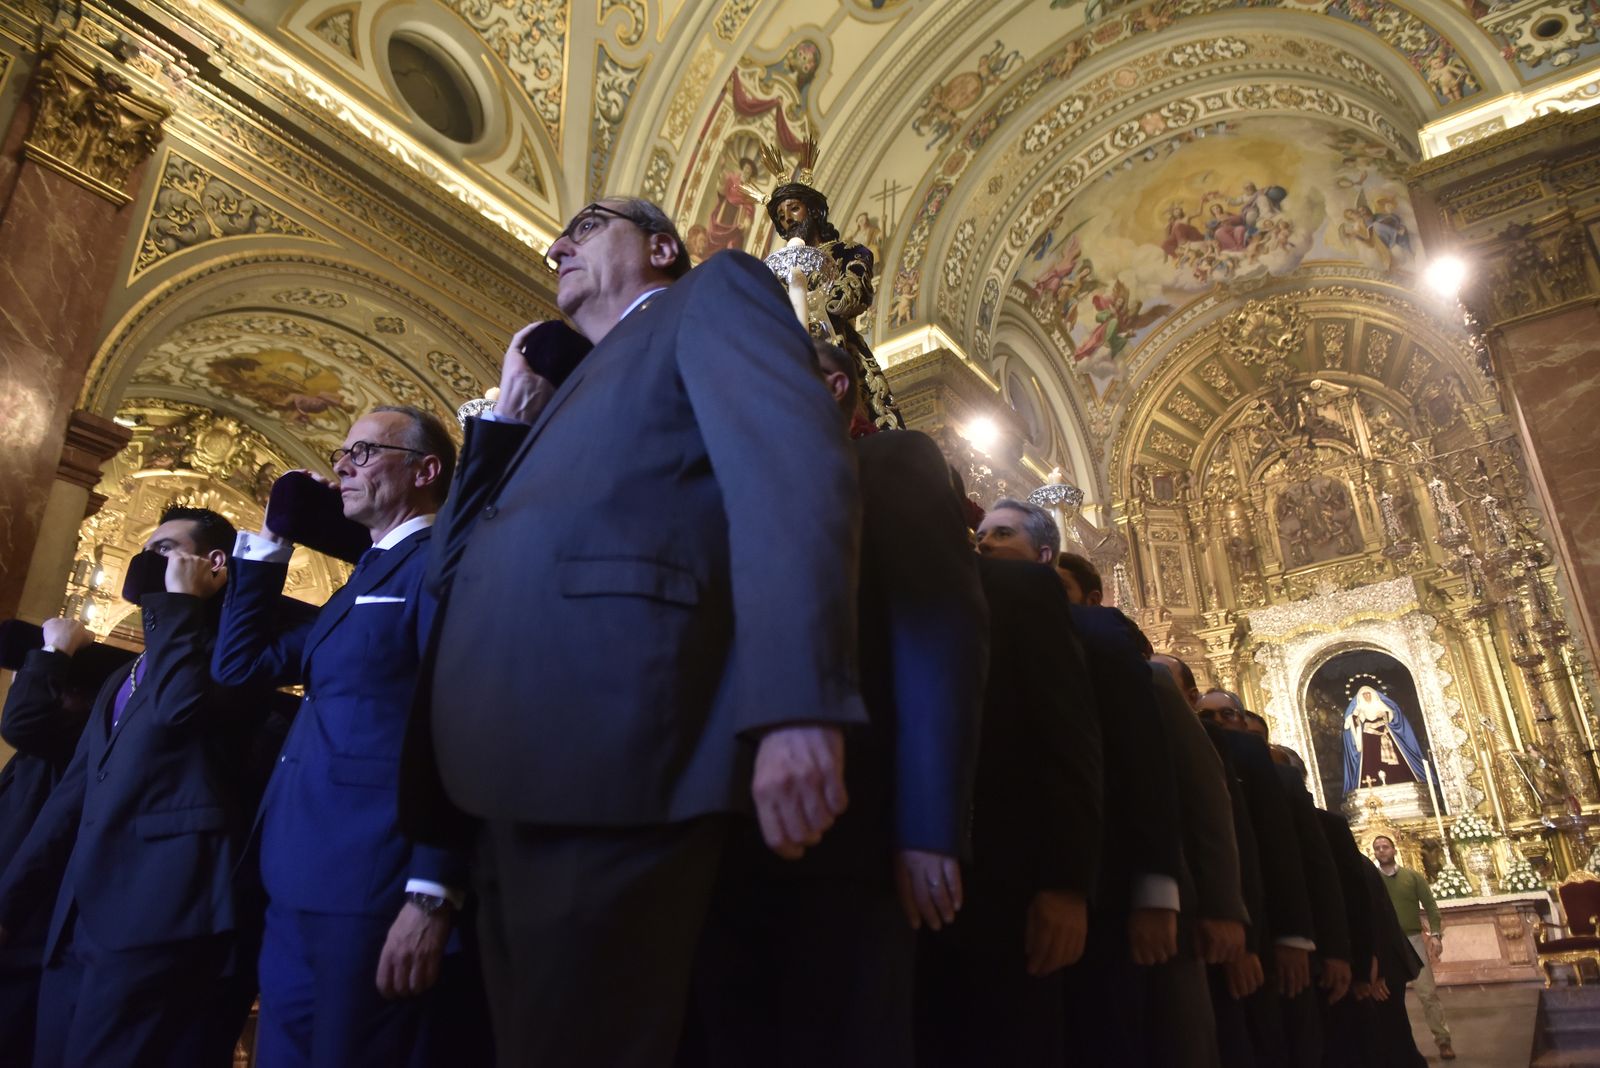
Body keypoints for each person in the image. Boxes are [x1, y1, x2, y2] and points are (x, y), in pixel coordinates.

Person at [400, 198, 865, 1068]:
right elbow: (451, 572)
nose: (554, 246)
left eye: (584, 227)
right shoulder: (572, 388)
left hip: (622, 748)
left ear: (660, 247)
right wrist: (504, 422)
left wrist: (798, 699)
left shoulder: (713, 295)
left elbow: (790, 466)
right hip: (500, 772)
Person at [688, 341, 987, 1068]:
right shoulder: (722, 479)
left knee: (843, 1032)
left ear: (833, 382)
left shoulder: (890, 464)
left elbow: (936, 630)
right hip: (713, 824)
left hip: (852, 829)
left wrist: (928, 827)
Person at [213, 406, 484, 1068]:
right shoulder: (364, 577)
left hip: (373, 882)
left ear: (425, 470)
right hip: (294, 877)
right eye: (342, 453)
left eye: (364, 452)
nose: (342, 466)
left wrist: (432, 892)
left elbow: (455, 718)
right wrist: (274, 541)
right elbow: (239, 667)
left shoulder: (437, 563)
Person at [0, 508, 261, 1067]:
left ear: (214, 564)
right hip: (75, 918)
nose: (148, 562)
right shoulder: (124, 676)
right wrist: (9, 903)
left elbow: (177, 710)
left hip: (153, 921)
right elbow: (70, 801)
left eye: (165, 550)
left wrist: (183, 604)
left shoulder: (232, 655)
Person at [0, 616, 102, 1067]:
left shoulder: (74, 741)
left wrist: (56, 649)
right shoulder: (40, 751)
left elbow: (21, 720)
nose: (27, 681)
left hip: (21, 931)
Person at [1373, 834, 1455, 1060]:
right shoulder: (1373, 879)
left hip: (1413, 939)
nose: (1382, 851)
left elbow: (1430, 905)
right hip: (1388, 943)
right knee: (1390, 998)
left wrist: (1436, 935)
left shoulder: (1412, 877)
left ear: (1394, 850)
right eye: (1378, 848)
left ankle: (1443, 1040)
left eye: (1385, 847)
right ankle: (1397, 1047)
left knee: (1427, 992)